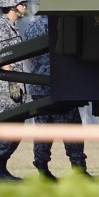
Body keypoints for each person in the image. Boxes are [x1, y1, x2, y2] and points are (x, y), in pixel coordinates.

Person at [24, 13, 89, 179]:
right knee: (71, 126)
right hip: (59, 84)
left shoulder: (32, 25)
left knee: (43, 129)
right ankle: (78, 168)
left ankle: (41, 166)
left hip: (37, 84)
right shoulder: (59, 23)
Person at [0, 0, 29, 182]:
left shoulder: (13, 26)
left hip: (16, 83)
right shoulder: (1, 26)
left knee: (17, 126)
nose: (25, 6)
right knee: (6, 125)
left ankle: (1, 168)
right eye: (22, 3)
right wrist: (11, 81)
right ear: (13, 6)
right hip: (6, 85)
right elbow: (4, 56)